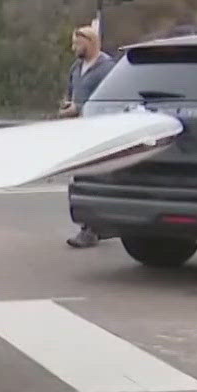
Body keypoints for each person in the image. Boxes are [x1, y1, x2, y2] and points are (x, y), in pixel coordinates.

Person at [60, 24, 116, 248]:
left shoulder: (107, 68)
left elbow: (109, 100)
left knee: (92, 180)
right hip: (79, 132)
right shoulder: (76, 67)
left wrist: (78, 109)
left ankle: (90, 229)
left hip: (98, 132)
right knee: (81, 178)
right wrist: (67, 107)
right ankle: (95, 225)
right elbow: (72, 94)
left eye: (77, 43)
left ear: (90, 43)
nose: (73, 47)